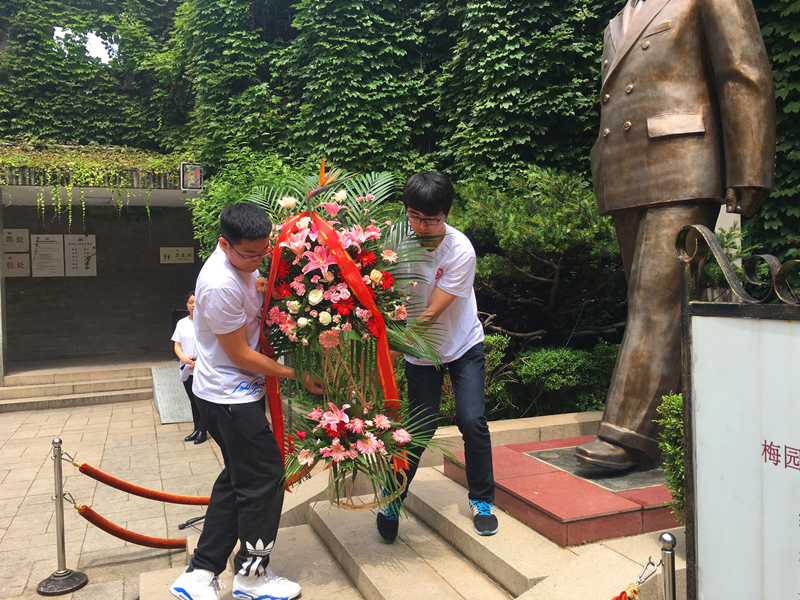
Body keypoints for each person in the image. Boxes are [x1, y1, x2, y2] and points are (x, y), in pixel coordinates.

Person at [576, 0, 775, 469]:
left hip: (685, 163)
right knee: (653, 304)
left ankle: (625, 433)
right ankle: (680, 422)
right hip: (627, 173)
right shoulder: (617, 22)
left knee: (656, 299)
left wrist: (749, 166)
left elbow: (742, 71)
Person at [170, 202, 324, 600]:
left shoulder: (241, 262)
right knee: (265, 478)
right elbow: (239, 355)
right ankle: (251, 576)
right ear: (225, 244)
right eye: (249, 255)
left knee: (238, 479)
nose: (257, 260)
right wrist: (296, 375)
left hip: (234, 392)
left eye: (263, 251)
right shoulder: (219, 284)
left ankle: (200, 572)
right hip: (228, 395)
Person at [376, 171, 498, 542]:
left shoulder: (460, 251)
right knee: (419, 428)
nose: (422, 226)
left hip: (461, 344)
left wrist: (393, 348)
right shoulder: (393, 241)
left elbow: (431, 312)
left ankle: (482, 500)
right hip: (419, 351)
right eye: (414, 216)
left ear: (446, 213)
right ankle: (393, 497)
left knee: (472, 420)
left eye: (431, 219)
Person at [171, 291, 208, 444]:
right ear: (186, 305)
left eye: (196, 302)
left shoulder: (206, 323)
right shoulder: (181, 323)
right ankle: (196, 428)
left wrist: (199, 361)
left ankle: (203, 430)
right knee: (193, 400)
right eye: (190, 302)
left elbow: (211, 346)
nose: (193, 305)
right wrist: (183, 358)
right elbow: (177, 344)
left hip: (202, 367)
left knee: (202, 400)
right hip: (187, 367)